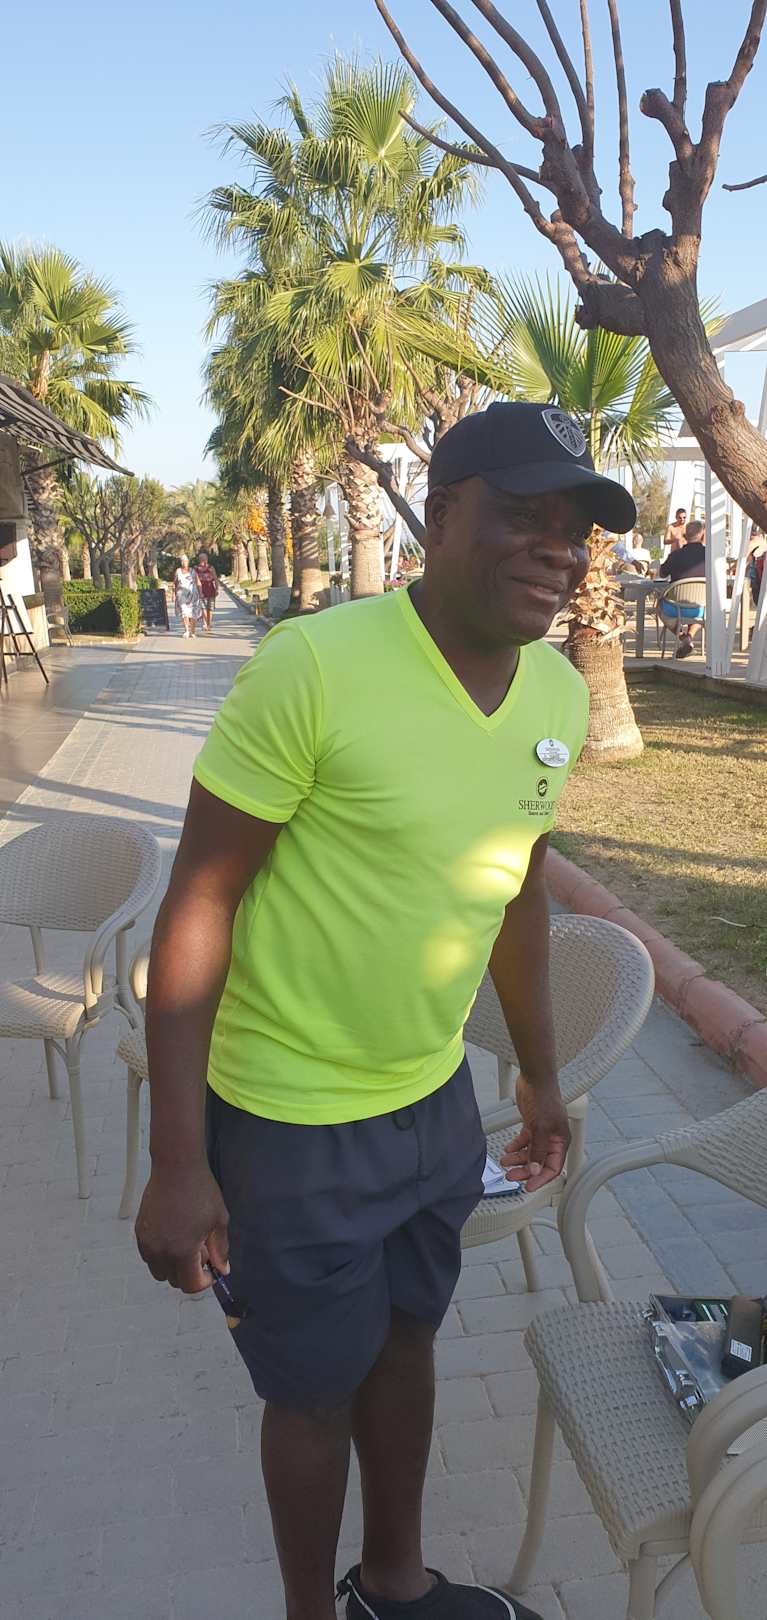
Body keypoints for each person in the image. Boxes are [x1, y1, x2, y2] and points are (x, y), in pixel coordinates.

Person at [135, 402, 636, 1620]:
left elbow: (514, 890)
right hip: (289, 1120)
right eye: (522, 515)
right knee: (309, 1392)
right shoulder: (315, 665)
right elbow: (198, 902)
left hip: (432, 1103)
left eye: (573, 529)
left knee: (408, 1341)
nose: (554, 548)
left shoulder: (556, 694)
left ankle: (396, 1583)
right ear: (439, 514)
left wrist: (536, 1075)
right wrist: (177, 1161)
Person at [658, 519, 706, 657]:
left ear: (685, 536)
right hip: (701, 608)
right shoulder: (710, 555)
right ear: (703, 535)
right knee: (702, 608)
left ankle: (684, 639)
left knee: (660, 607)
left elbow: (662, 574)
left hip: (675, 607)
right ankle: (689, 637)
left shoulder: (675, 555)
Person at [174, 554, 204, 638]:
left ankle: (193, 631)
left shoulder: (192, 571)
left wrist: (201, 593)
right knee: (185, 612)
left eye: (185, 561)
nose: (184, 563)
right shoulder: (178, 571)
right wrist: (174, 594)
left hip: (193, 595)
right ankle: (187, 630)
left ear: (188, 562)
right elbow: (175, 583)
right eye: (182, 561)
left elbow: (198, 582)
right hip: (182, 595)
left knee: (193, 614)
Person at [196, 549, 219, 632]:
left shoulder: (211, 568)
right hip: (201, 590)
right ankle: (205, 623)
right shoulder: (196, 569)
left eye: (205, 559)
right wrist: (198, 592)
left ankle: (209, 623)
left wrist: (217, 589)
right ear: (199, 560)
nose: (203, 561)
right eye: (201, 559)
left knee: (210, 608)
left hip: (211, 590)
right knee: (203, 608)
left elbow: (215, 579)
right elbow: (196, 581)